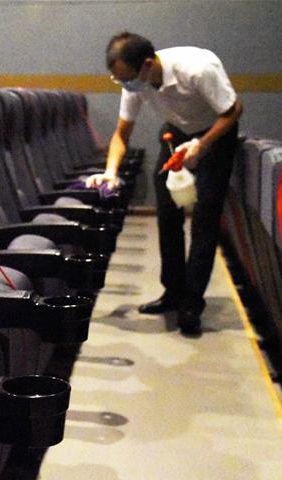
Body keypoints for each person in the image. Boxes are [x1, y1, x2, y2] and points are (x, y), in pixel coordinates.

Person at [87, 32, 242, 335]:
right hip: (176, 132)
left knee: (204, 217)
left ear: (148, 64)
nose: (126, 85)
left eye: (128, 78)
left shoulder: (197, 68)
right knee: (168, 214)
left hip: (215, 134)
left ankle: (192, 304)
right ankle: (173, 292)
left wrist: (201, 145)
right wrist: (110, 172)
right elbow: (121, 134)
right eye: (119, 80)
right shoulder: (134, 82)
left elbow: (233, 111)